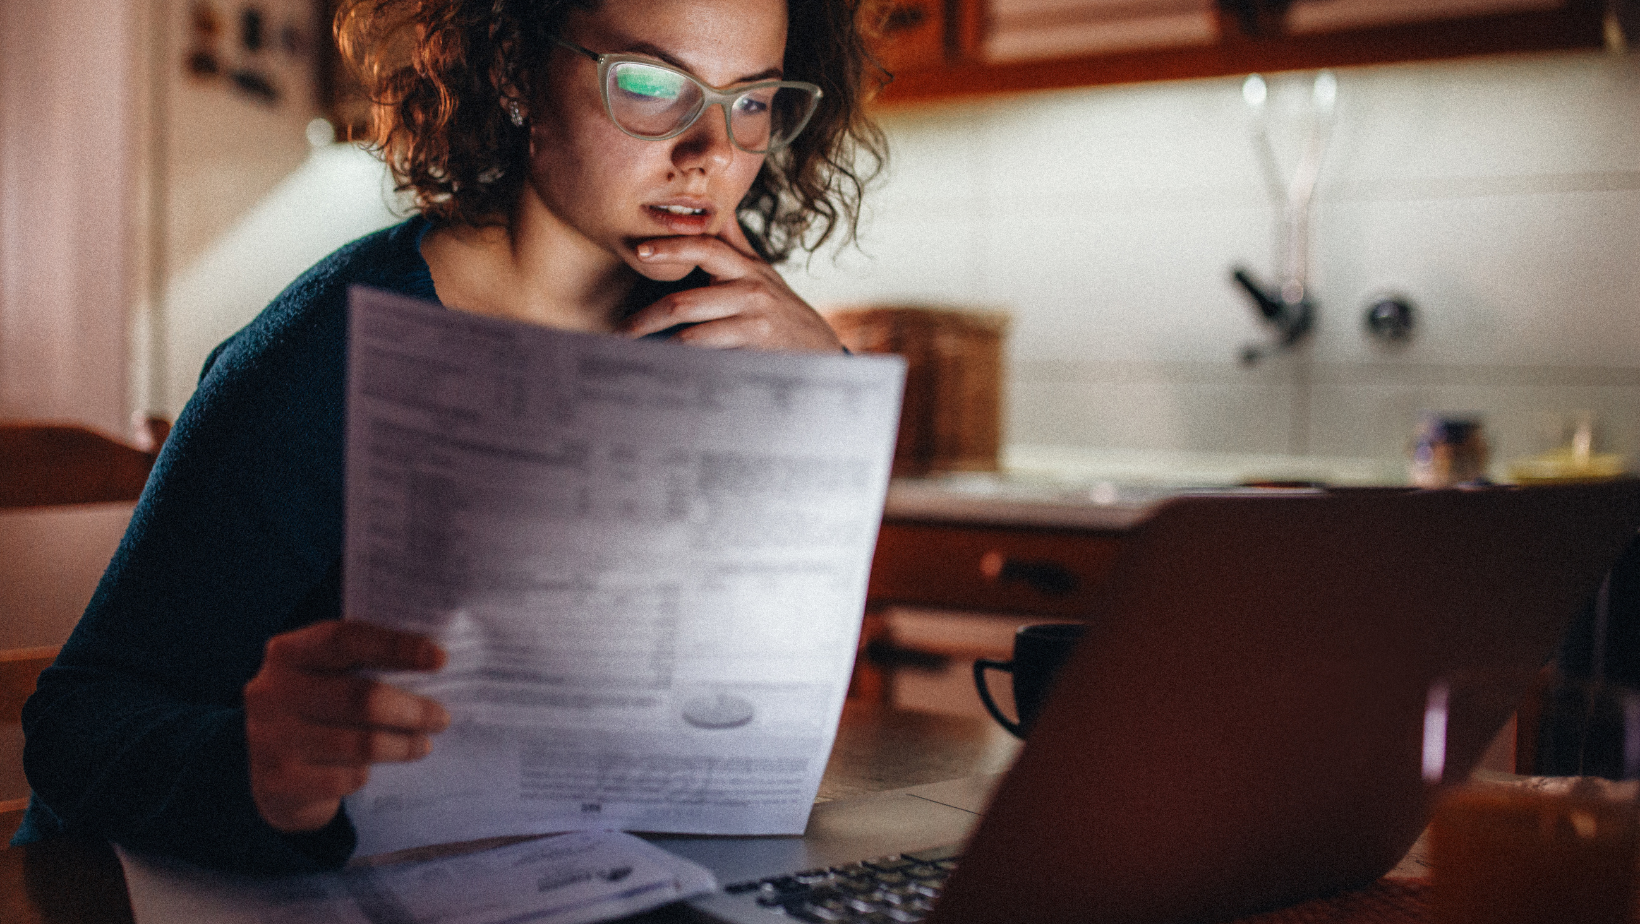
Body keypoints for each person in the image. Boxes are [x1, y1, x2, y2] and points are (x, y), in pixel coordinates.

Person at [17, 0, 885, 873]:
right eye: (654, 85)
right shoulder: (335, 341)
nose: (712, 154)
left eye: (752, 100)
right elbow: (77, 726)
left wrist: (825, 399)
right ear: (515, 72)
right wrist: (256, 770)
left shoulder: (737, 353)